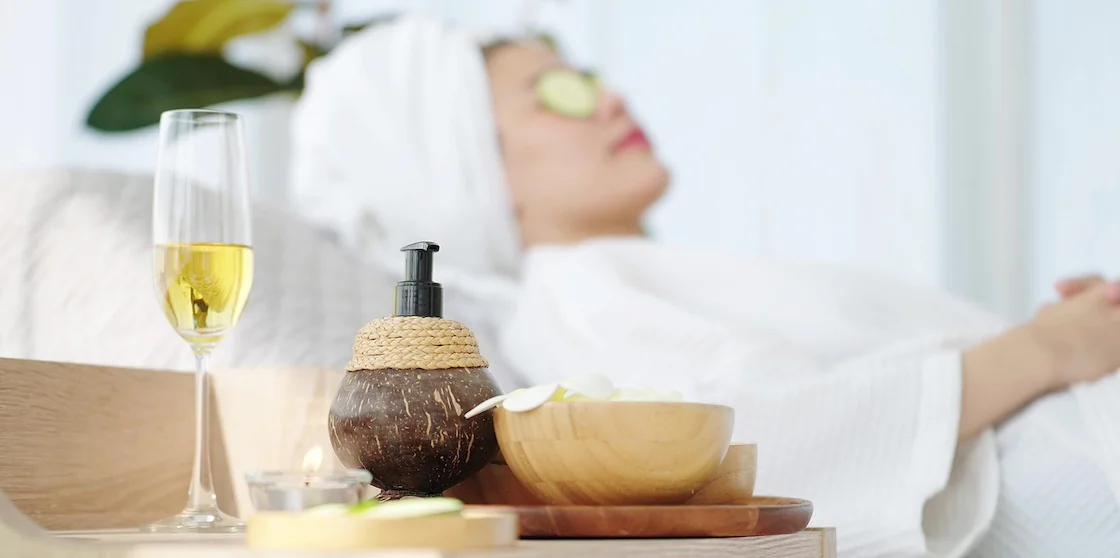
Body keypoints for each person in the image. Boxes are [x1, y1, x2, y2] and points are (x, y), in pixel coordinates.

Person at [289, 15, 1120, 557]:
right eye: (552, 96)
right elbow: (760, 441)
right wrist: (1045, 351)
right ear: (468, 175)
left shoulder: (636, 271)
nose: (605, 97)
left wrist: (1076, 332)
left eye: (581, 74)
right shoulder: (574, 295)